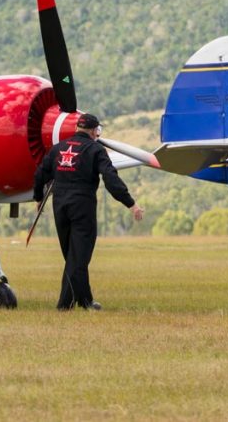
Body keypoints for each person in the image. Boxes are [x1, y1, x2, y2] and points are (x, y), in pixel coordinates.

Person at [33, 113, 144, 310]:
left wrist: (38, 197)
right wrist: (131, 203)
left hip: (60, 206)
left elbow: (40, 173)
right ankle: (64, 306)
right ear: (94, 131)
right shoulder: (95, 149)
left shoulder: (58, 148)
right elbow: (111, 179)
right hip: (82, 206)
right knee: (79, 257)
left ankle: (85, 301)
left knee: (73, 256)